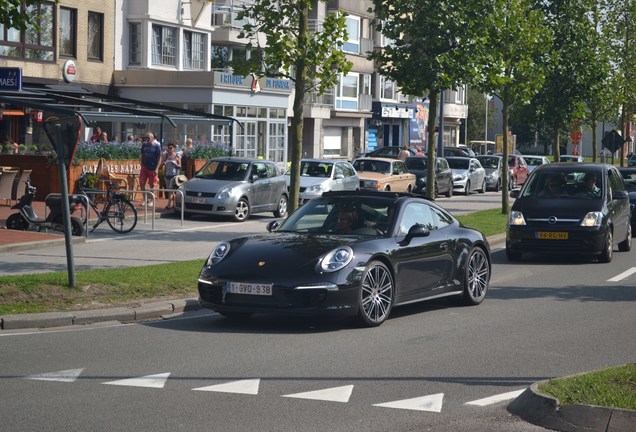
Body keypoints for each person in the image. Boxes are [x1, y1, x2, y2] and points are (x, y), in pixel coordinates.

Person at [139, 132, 162, 207]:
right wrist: (142, 164)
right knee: (142, 183)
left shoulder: (157, 146)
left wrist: (156, 169)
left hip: (152, 168)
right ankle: (145, 199)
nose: (146, 139)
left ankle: (152, 200)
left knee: (152, 185)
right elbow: (142, 155)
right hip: (144, 167)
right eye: (146, 137)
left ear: (152, 138)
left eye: (148, 138)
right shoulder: (144, 145)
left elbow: (159, 158)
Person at [161, 142, 182, 209]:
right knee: (170, 190)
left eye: (171, 148)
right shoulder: (166, 155)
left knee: (171, 190)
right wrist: (163, 164)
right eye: (168, 147)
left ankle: (169, 204)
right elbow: (161, 165)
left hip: (174, 175)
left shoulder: (177, 156)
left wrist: (175, 164)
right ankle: (173, 204)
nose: (169, 149)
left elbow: (180, 166)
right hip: (167, 175)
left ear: (174, 148)